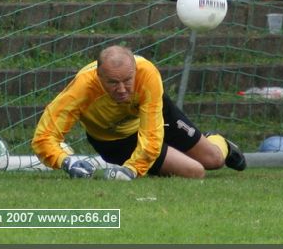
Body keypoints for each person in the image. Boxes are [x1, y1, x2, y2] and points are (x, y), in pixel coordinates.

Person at [32, 45, 246, 180]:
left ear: (135, 71)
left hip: (154, 120)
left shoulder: (147, 73)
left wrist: (132, 170)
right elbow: (44, 136)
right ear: (99, 76)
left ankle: (218, 141)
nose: (122, 89)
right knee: (195, 171)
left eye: (127, 80)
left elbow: (152, 132)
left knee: (215, 160)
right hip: (116, 140)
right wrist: (65, 161)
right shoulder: (82, 88)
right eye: (113, 83)